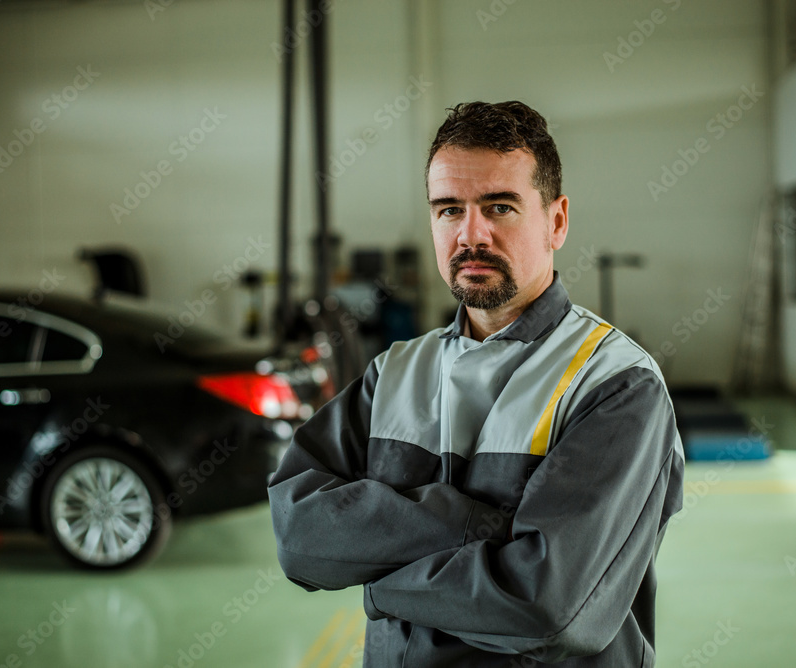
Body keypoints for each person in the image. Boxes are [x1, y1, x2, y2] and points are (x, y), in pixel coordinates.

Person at [268, 101, 685, 667]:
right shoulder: (394, 373)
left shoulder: (613, 382)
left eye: (500, 207)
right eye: (448, 210)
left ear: (556, 221)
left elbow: (544, 605)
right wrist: (480, 528)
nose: (471, 234)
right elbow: (299, 536)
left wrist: (380, 585)